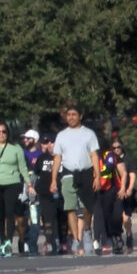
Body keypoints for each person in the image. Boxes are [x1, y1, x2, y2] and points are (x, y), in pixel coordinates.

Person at [50, 102, 100, 256]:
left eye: (74, 115)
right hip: (67, 173)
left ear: (80, 116)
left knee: (86, 207)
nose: (71, 118)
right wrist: (53, 180)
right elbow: (57, 158)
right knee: (70, 207)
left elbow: (94, 155)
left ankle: (86, 233)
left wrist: (97, 176)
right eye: (68, 115)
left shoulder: (89, 134)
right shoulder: (61, 135)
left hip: (85, 172)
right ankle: (76, 239)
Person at [0, 122, 34, 257]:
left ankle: (8, 242)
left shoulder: (15, 148)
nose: (1, 134)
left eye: (4, 131)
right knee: (0, 214)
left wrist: (29, 185)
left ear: (7, 133)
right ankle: (3, 239)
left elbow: (23, 168)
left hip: (12, 183)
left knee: (10, 212)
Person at [33, 134, 61, 255]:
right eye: (48, 143)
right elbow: (36, 172)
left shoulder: (62, 157)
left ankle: (63, 241)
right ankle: (49, 242)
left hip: (60, 191)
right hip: (44, 192)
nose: (50, 145)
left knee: (61, 217)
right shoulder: (42, 158)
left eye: (52, 142)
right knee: (48, 217)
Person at [113, 140, 137, 253]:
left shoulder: (128, 160)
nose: (116, 149)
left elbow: (132, 175)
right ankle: (118, 239)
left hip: (126, 192)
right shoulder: (110, 159)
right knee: (117, 217)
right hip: (115, 192)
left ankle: (129, 235)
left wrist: (130, 189)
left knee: (126, 218)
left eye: (118, 147)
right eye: (114, 148)